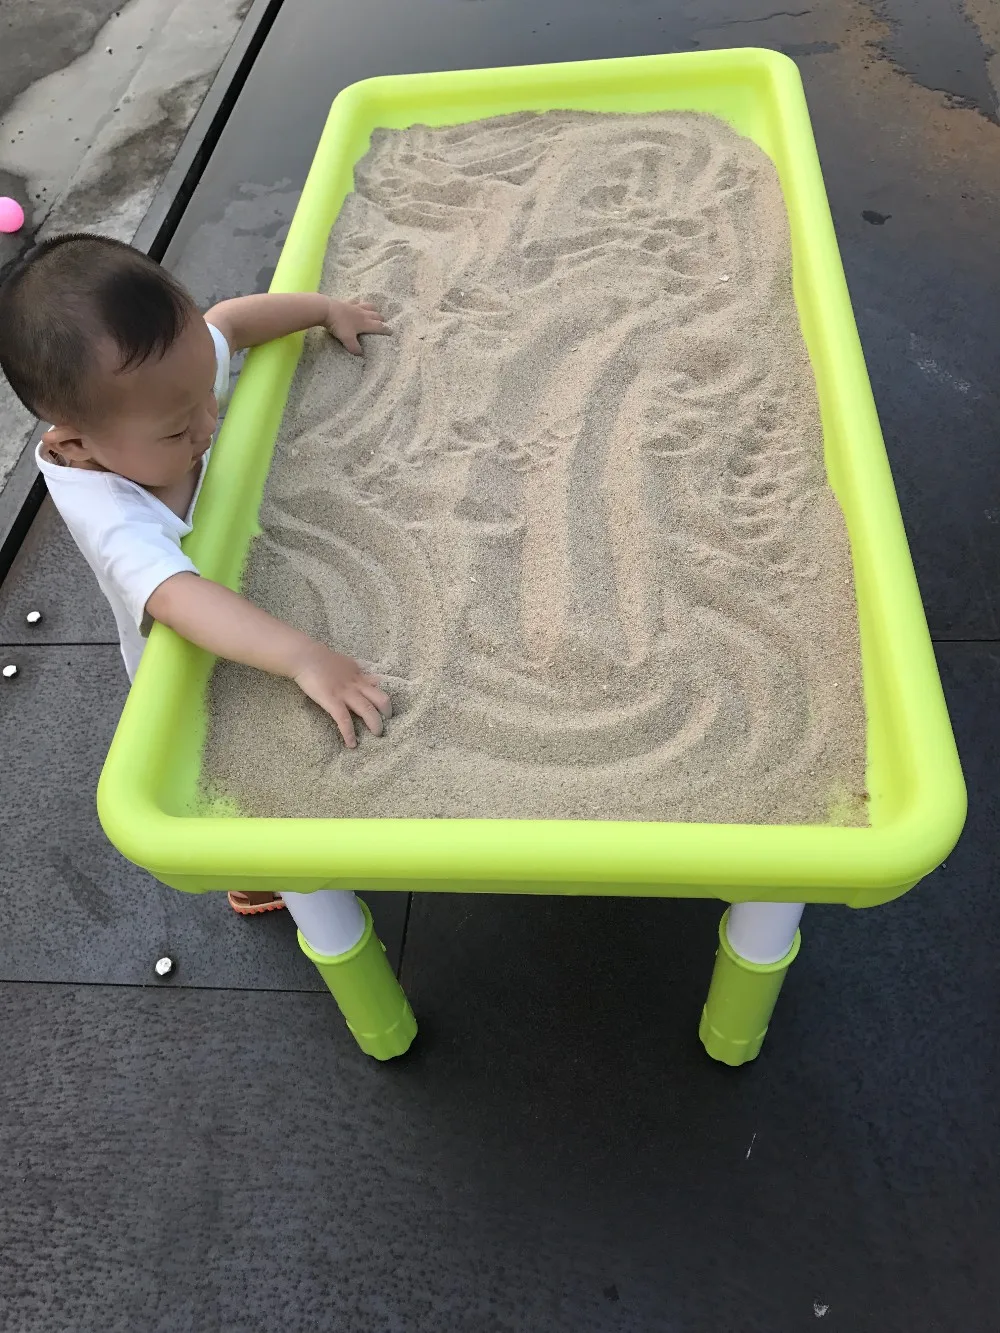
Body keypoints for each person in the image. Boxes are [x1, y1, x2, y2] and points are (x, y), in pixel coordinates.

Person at [0, 233, 393, 914]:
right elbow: (181, 600)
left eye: (208, 402)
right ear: (75, 444)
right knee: (239, 782)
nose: (208, 423)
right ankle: (250, 875)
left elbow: (232, 323)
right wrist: (305, 657)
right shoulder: (114, 516)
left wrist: (324, 308)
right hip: (181, 643)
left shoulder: (164, 383)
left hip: (225, 550)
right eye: (180, 432)